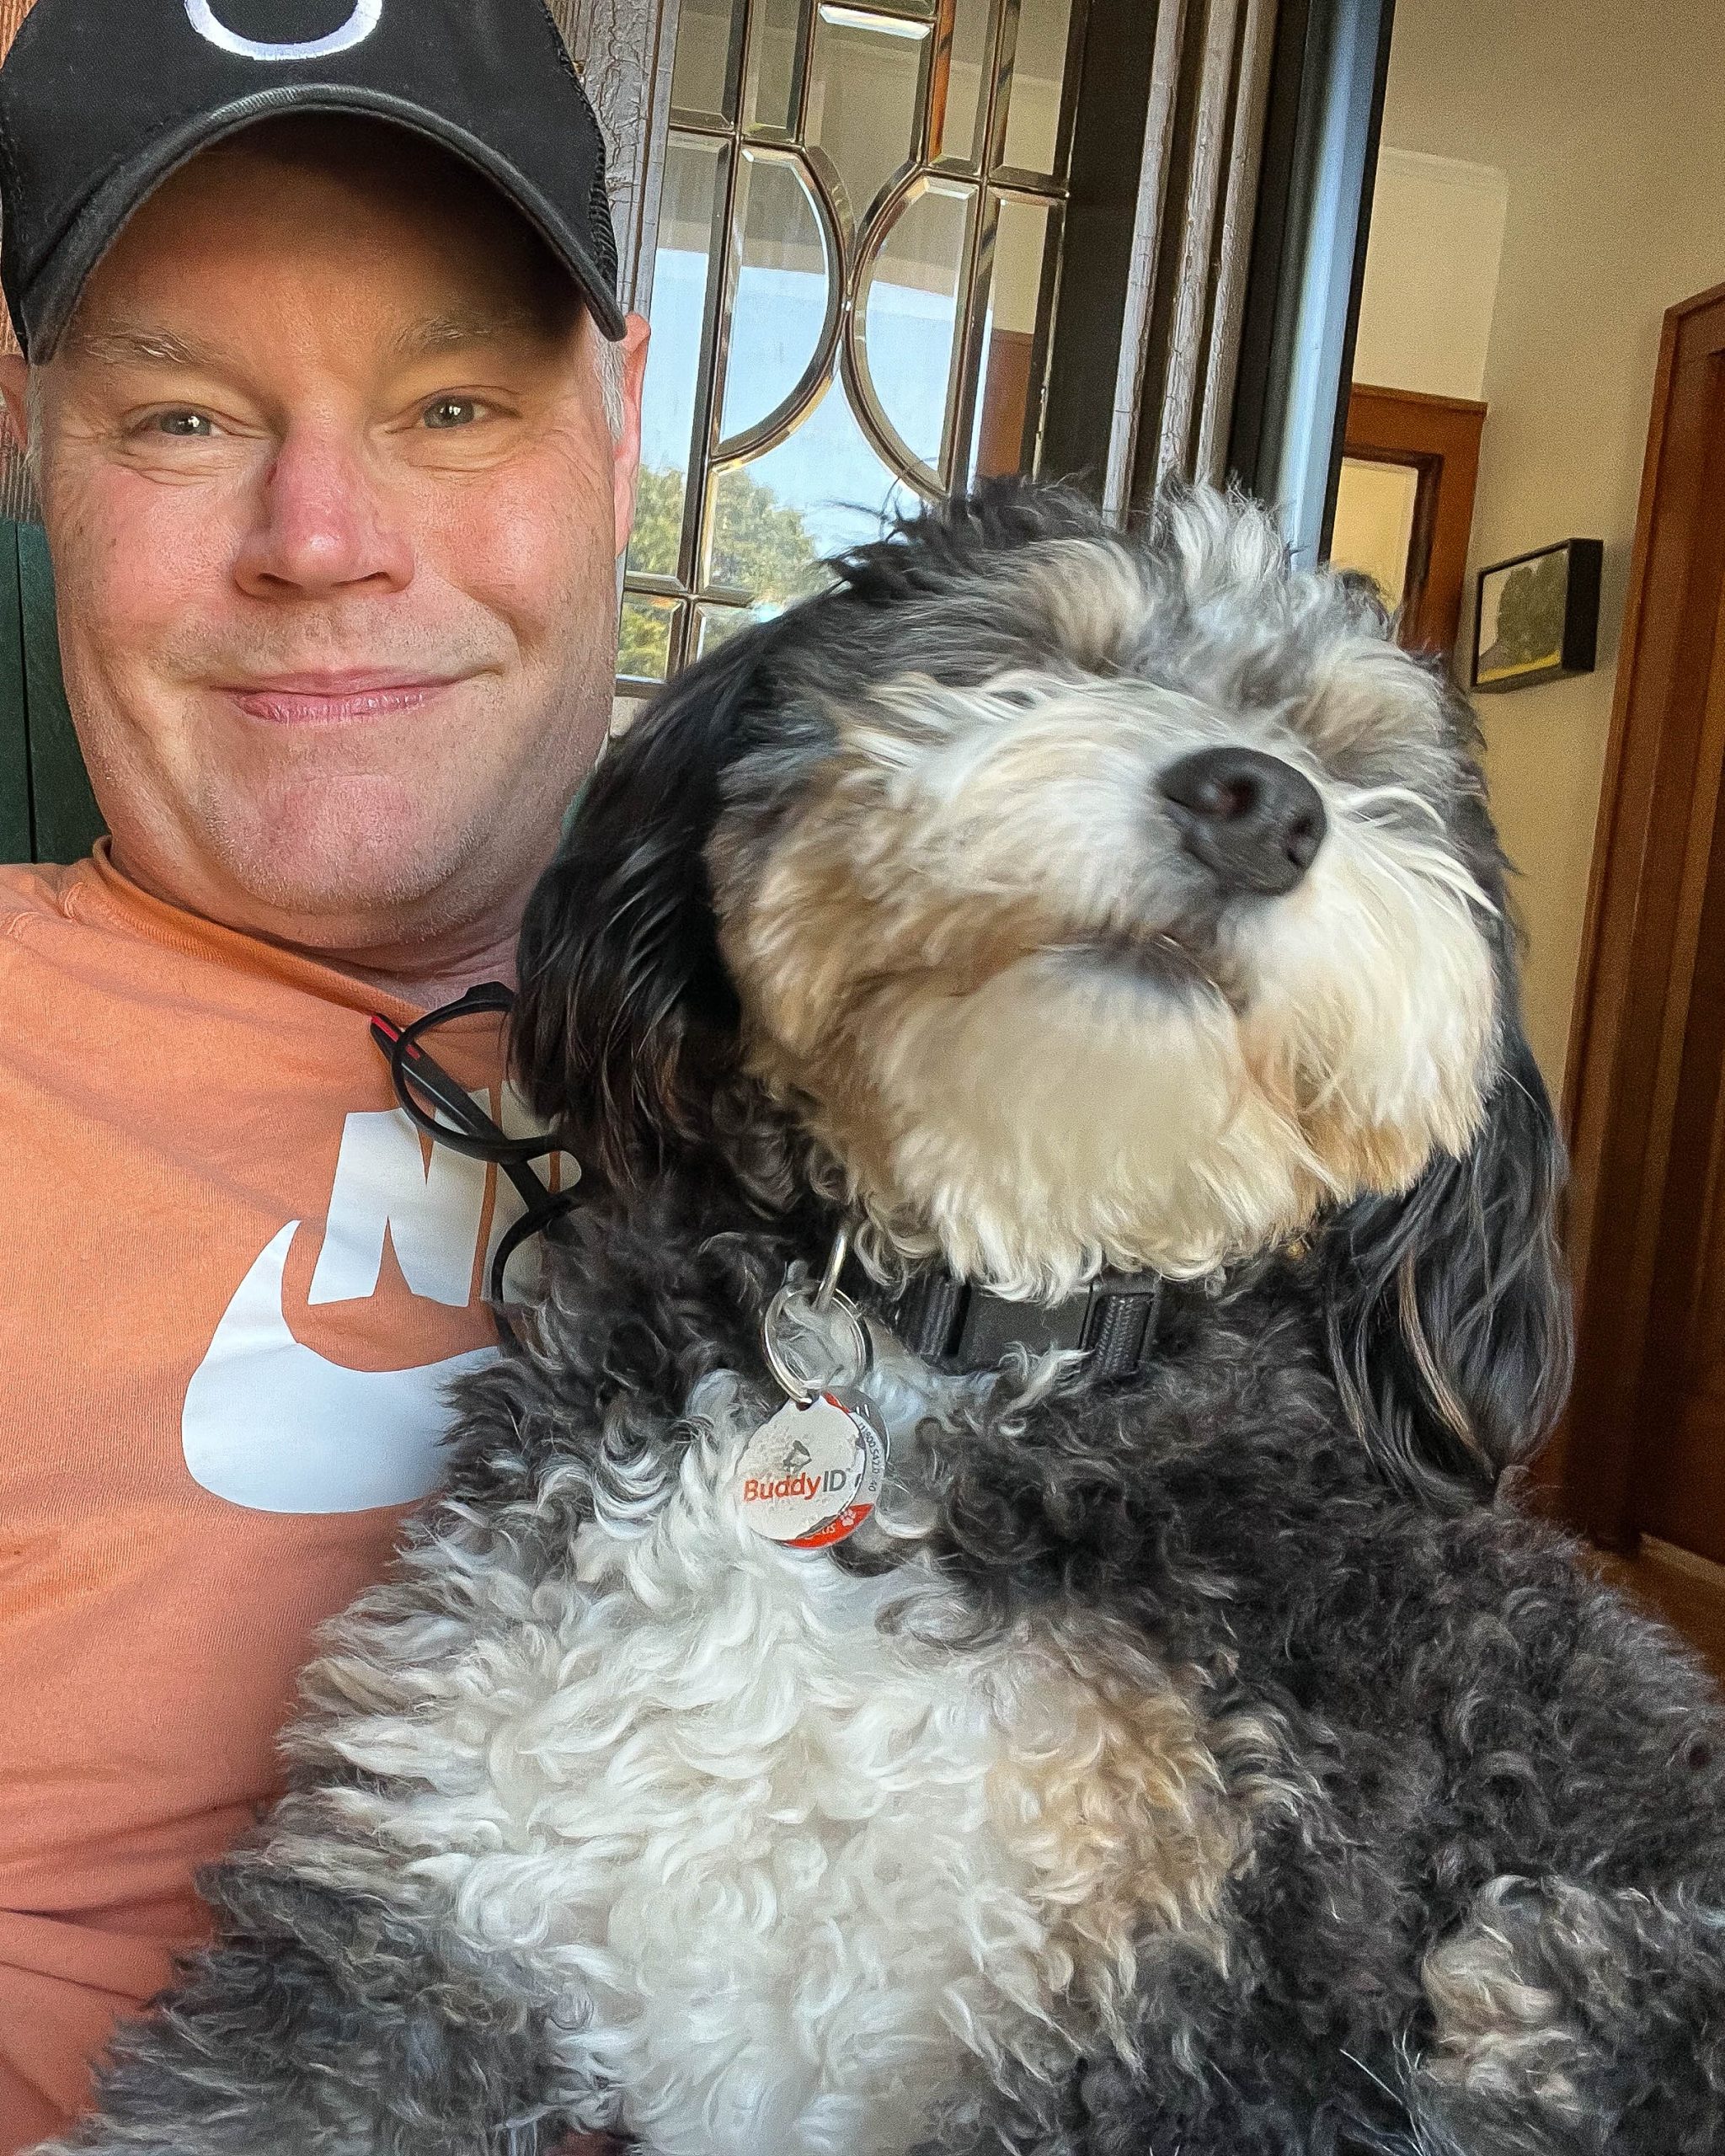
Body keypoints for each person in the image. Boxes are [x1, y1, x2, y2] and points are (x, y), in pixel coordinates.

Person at [0, 0, 649, 2140]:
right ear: (31, 451)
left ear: (619, 432)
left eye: (450, 405)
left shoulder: (901, 1089)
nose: (319, 534)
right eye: (183, 420)